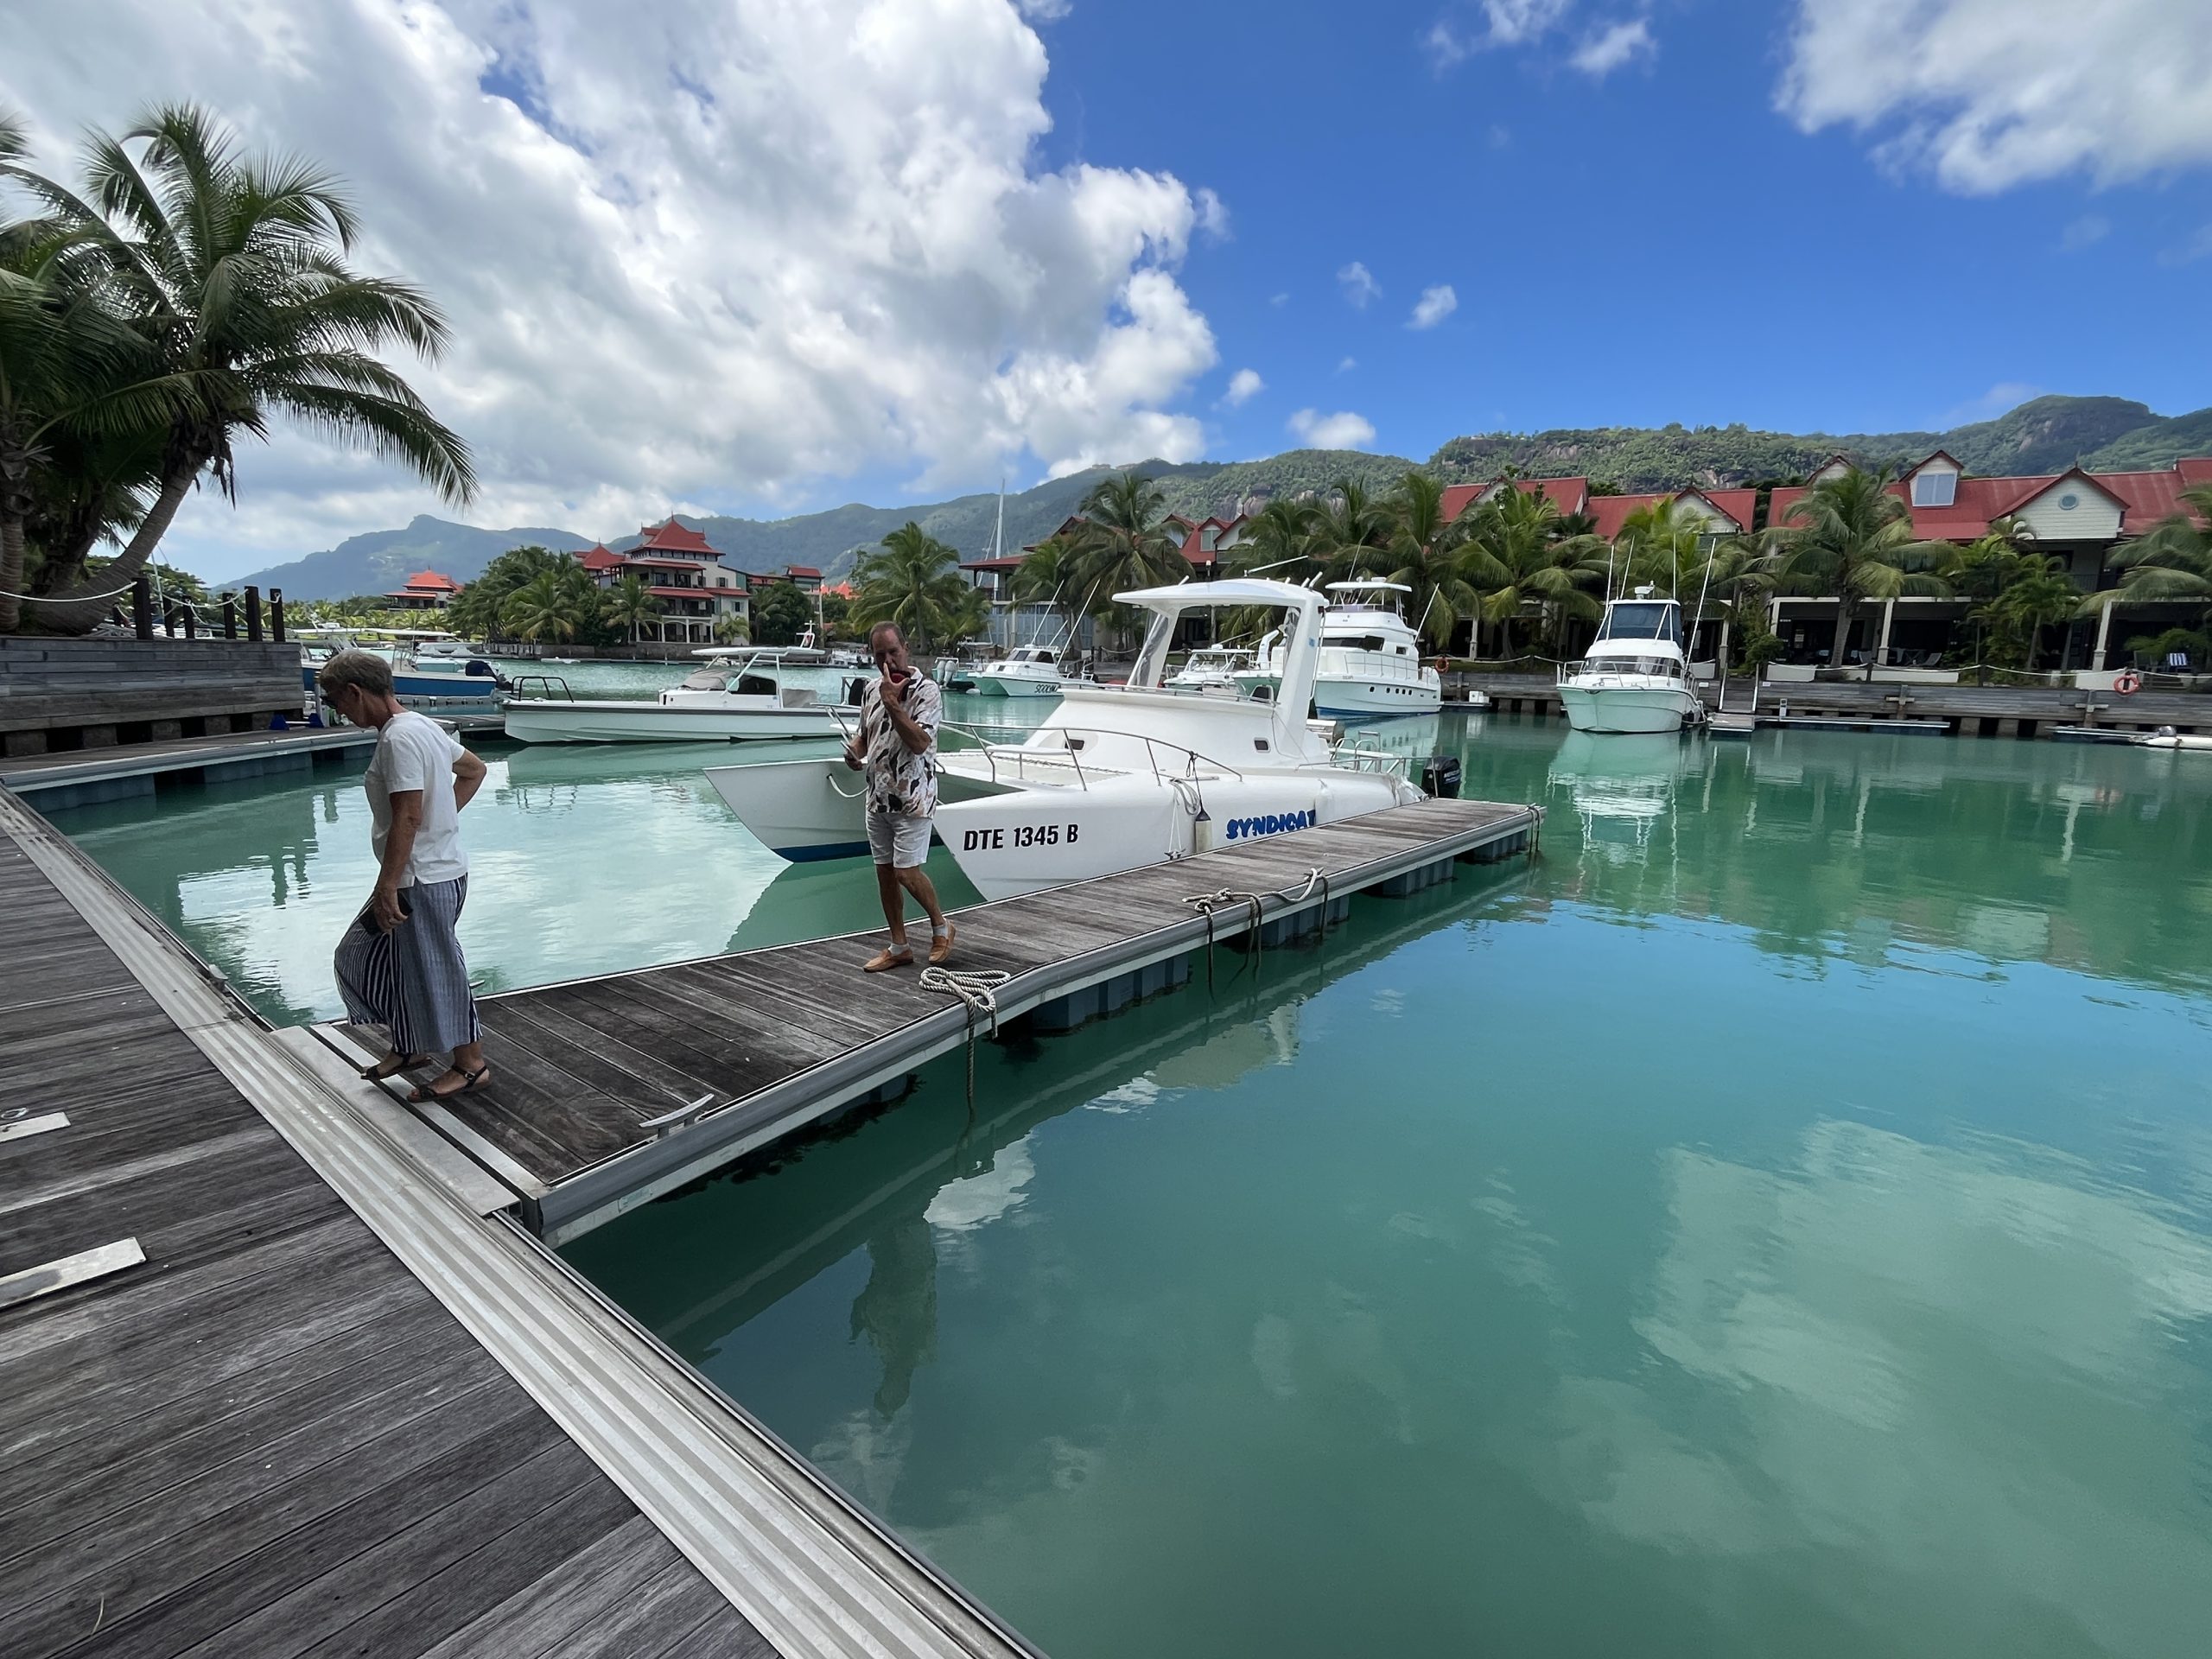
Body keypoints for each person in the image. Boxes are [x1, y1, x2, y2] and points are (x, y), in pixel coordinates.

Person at [319, 649, 493, 1099]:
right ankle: (411, 1045)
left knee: (437, 970)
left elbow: (408, 816)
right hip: (434, 871)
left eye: (337, 701)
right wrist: (443, 821)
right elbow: (474, 770)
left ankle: (471, 1065)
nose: (337, 711)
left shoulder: (399, 739)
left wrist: (388, 884)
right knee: (366, 957)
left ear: (356, 692)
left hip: (422, 880)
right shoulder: (420, 726)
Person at [846, 620, 955, 971]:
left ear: (905, 648)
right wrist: (854, 751)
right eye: (881, 655)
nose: (889, 662)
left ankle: (942, 926)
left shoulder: (928, 692)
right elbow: (866, 734)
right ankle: (899, 946)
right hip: (877, 796)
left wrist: (894, 704)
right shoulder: (870, 690)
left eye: (894, 652)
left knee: (907, 873)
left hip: (912, 797)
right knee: (885, 873)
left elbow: (921, 743)